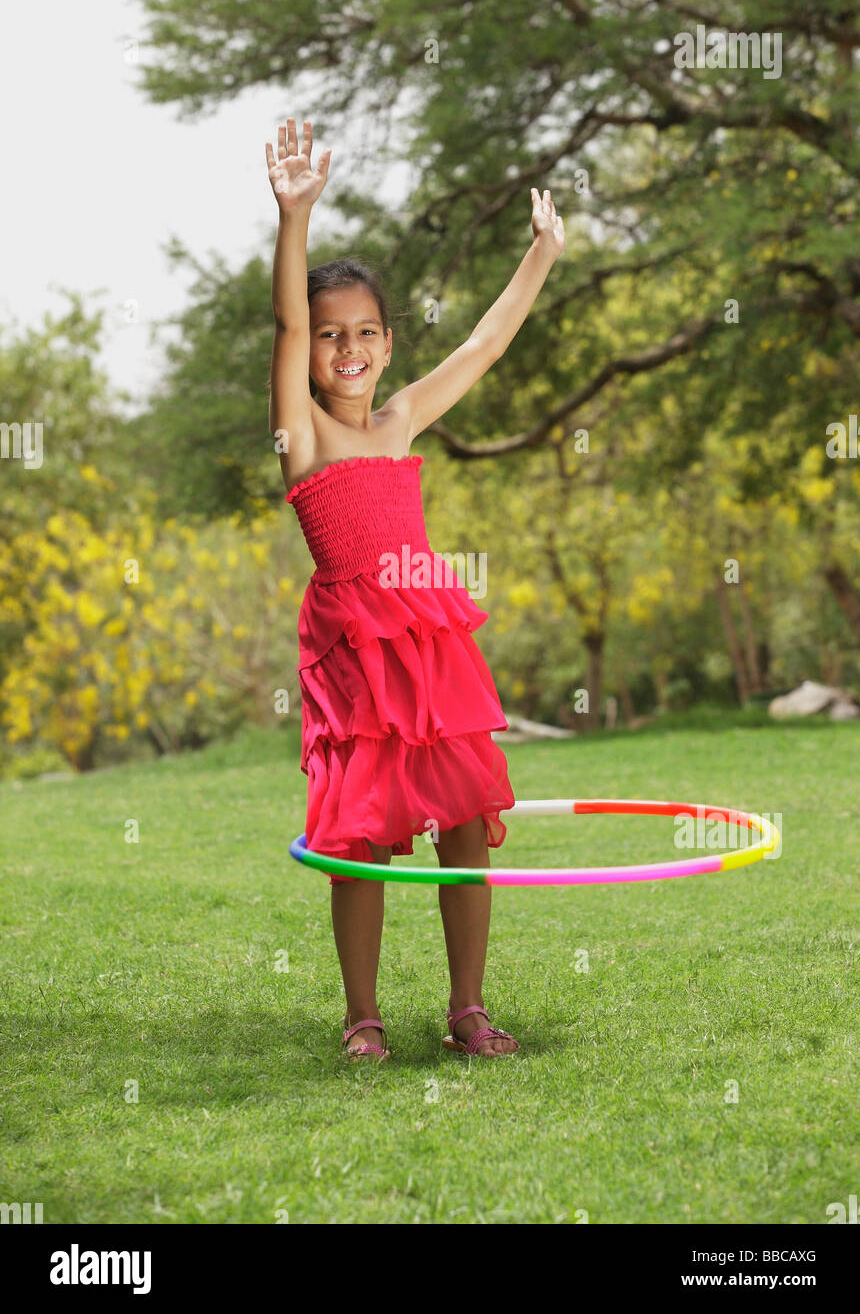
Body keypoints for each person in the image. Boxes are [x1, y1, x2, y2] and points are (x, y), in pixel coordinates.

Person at [266, 118, 565, 1060]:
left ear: (388, 344)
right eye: (328, 337)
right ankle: (364, 1017)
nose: (345, 349)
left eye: (363, 333)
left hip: (431, 644)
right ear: (308, 350)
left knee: (467, 822)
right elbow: (280, 320)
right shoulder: (304, 437)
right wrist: (294, 217)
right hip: (354, 652)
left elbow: (483, 344)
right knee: (354, 836)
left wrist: (542, 256)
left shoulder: (398, 422)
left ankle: (467, 1008)